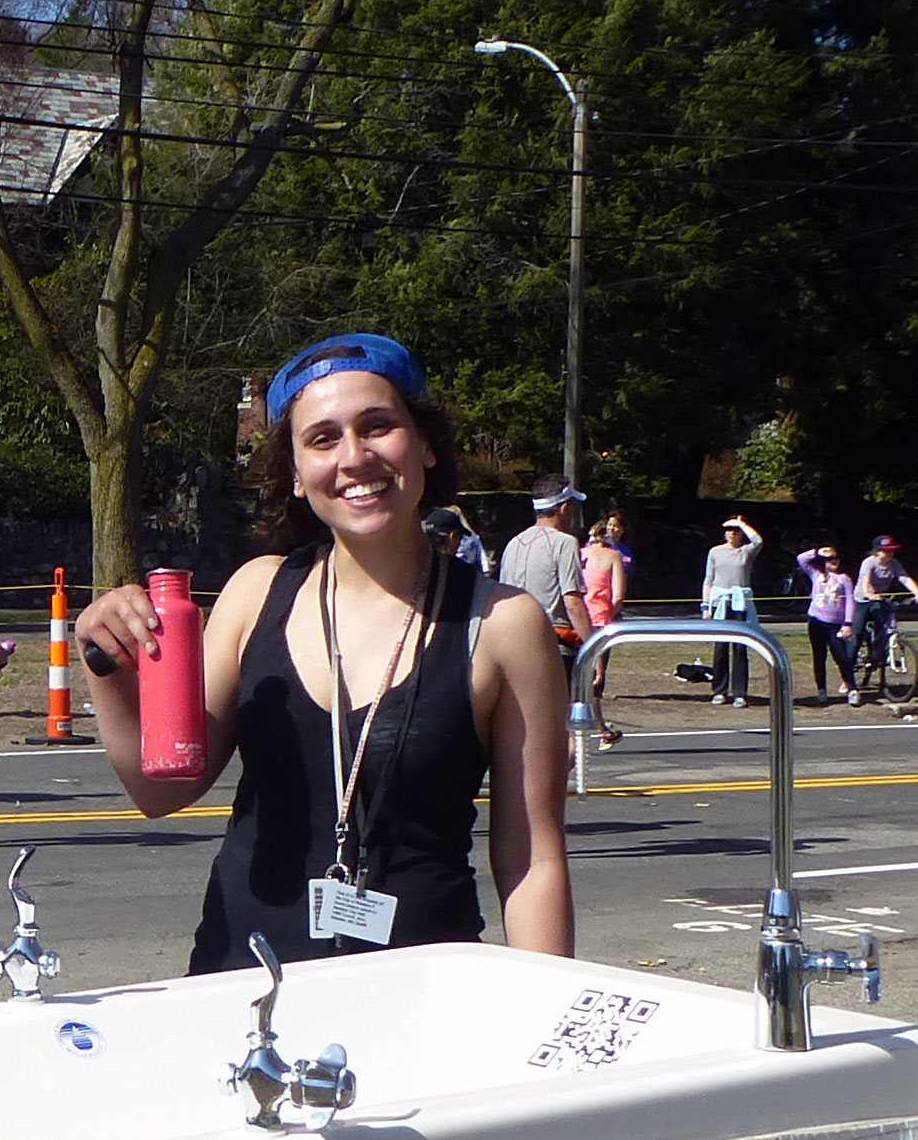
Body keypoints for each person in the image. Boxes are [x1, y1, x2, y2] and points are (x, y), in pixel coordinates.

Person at [76, 333, 573, 975]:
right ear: (294, 470)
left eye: (378, 426)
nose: (354, 457)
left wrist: (550, 1020)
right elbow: (161, 791)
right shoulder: (256, 593)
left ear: (423, 443)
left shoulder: (503, 623)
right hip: (244, 986)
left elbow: (531, 856)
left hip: (422, 991)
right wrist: (106, 665)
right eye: (322, 438)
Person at [499, 474, 597, 690]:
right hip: (554, 646)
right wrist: (594, 650)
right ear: (564, 508)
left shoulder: (513, 544)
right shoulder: (564, 543)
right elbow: (573, 603)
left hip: (514, 644)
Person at [701, 516, 763, 707]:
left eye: (735, 531)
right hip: (720, 602)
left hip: (740, 603)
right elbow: (708, 580)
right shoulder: (715, 552)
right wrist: (706, 605)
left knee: (740, 648)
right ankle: (720, 690)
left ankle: (740, 693)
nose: (732, 533)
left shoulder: (745, 552)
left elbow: (758, 540)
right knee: (721, 648)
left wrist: (742, 523)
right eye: (729, 530)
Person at [579, 521, 627, 749]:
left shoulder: (580, 554)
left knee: (575, 674)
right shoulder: (613, 556)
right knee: (597, 678)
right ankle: (600, 731)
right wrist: (610, 612)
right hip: (600, 621)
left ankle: (599, 728)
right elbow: (618, 596)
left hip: (576, 619)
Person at [849, 535, 918, 680]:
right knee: (857, 634)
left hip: (880, 599)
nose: (890, 554)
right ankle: (848, 673)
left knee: (885, 625)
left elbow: (904, 578)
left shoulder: (894, 564)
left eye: (892, 550)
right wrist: (868, 593)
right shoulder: (869, 563)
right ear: (877, 551)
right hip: (862, 600)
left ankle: (881, 655)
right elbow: (865, 580)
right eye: (886, 550)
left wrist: (916, 592)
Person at [798, 545, 857, 707]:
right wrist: (817, 552)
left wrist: (848, 623)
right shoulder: (816, 574)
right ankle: (821, 690)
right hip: (816, 621)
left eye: (836, 558)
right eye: (830, 559)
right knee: (819, 656)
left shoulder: (844, 579)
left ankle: (852, 687)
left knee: (841, 656)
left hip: (835, 624)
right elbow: (801, 559)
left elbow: (850, 602)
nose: (834, 561)